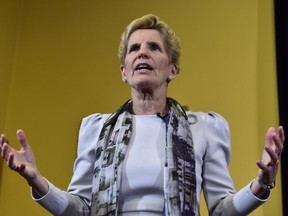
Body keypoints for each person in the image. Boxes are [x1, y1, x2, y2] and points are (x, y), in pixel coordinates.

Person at [0, 14, 285, 216]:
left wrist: (262, 184)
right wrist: (38, 181)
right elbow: (80, 210)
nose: (142, 53)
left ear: (172, 69)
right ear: (124, 71)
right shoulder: (95, 129)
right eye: (134, 49)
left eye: (153, 48)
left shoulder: (205, 128)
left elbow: (222, 211)